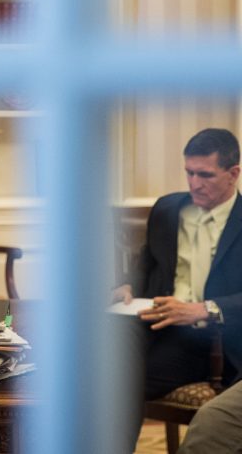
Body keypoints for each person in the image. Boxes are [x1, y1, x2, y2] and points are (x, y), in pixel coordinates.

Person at [112, 128, 242, 452]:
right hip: (160, 329)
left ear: (233, 173)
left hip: (216, 341)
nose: (194, 183)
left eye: (205, 175)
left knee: (116, 382)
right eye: (189, 172)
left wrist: (204, 309)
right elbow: (147, 263)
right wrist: (127, 285)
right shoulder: (167, 210)